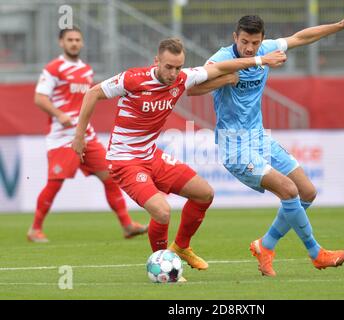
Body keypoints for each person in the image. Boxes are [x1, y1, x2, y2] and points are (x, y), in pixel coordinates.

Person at [71, 38, 286, 271]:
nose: (174, 73)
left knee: (204, 194)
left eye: (178, 67)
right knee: (162, 211)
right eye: (168, 67)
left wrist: (260, 60)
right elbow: (93, 93)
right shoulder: (133, 79)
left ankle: (181, 247)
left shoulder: (183, 78)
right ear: (157, 62)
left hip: (151, 155)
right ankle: (162, 264)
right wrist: (79, 136)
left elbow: (219, 67)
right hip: (125, 160)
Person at [187, 9, 344, 276]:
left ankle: (265, 245)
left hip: (259, 138)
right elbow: (191, 88)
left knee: (307, 191)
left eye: (255, 43)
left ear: (262, 40)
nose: (249, 48)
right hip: (234, 146)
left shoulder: (267, 50)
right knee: (288, 190)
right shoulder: (221, 59)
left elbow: (301, 38)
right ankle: (317, 254)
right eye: (244, 42)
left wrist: (339, 26)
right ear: (235, 37)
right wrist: (225, 79)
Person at [28, 26, 147, 243]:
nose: (74, 43)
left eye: (77, 39)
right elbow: (39, 98)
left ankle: (127, 225)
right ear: (61, 43)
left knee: (110, 178)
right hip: (62, 136)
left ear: (82, 43)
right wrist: (60, 114)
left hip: (86, 135)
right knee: (55, 183)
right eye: (70, 39)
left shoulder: (86, 70)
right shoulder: (53, 69)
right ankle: (35, 229)